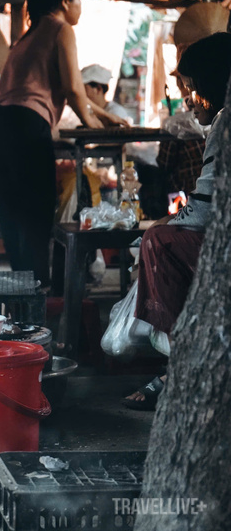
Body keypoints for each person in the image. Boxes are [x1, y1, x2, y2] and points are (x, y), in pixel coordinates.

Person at [0, 0, 128, 288]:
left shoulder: (30, 35)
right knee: (36, 223)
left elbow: (64, 86)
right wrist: (96, 127)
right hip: (23, 127)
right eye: (79, 0)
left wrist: (103, 115)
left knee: (13, 222)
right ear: (65, 0)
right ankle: (38, 307)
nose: (80, 9)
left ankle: (22, 305)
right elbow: (75, 90)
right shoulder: (61, 29)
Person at [122, 32, 231, 410]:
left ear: (211, 85)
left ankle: (179, 364)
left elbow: (204, 208)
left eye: (190, 88)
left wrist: (160, 226)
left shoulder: (225, 124)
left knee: (157, 242)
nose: (186, 99)